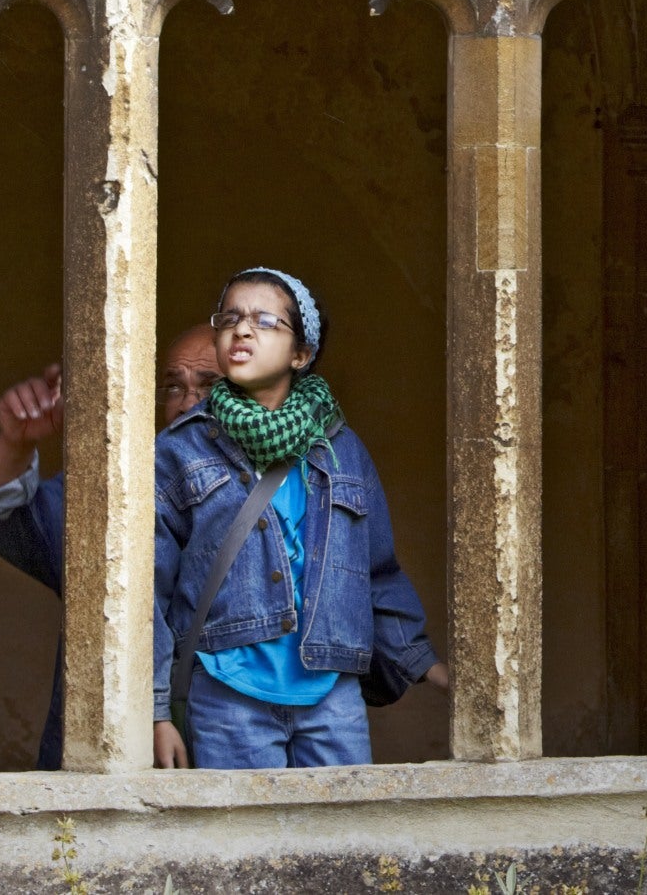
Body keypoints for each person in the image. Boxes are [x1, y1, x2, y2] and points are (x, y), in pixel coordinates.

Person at [152, 266, 445, 769]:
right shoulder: (178, 451)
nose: (242, 330)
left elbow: (376, 573)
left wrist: (431, 668)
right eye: (230, 318)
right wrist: (158, 712)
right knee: (243, 843)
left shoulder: (343, 451)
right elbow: (147, 589)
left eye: (265, 321)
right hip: (227, 697)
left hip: (331, 697)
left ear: (300, 354)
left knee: (337, 841)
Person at [0, 325, 223, 769]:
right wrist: (16, 442)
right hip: (110, 770)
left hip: (240, 755)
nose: (186, 403)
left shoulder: (289, 490)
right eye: (174, 387)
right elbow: (5, 522)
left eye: (209, 386)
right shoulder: (117, 489)